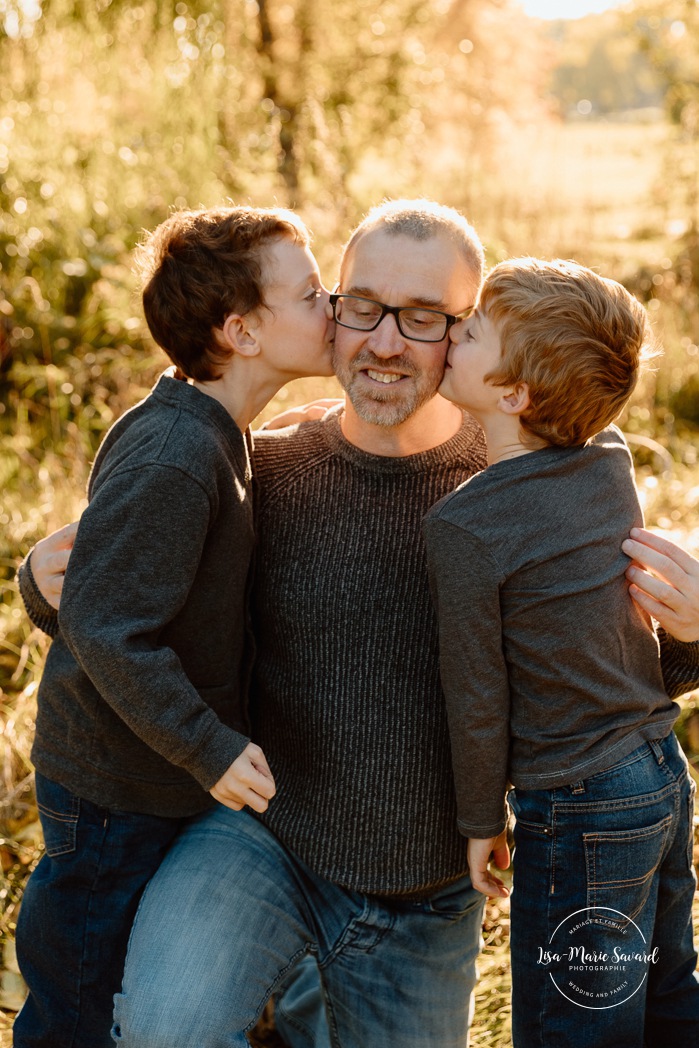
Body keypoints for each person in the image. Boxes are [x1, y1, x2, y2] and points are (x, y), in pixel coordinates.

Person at [19, 201, 699, 1047]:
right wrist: (46, 591)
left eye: (422, 319)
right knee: (163, 1029)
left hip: (425, 893)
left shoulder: (527, 490)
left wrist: (690, 635)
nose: (384, 342)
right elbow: (138, 614)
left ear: (469, 337)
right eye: (361, 306)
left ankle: (307, 1002)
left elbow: (592, 677)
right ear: (331, 310)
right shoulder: (254, 465)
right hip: (258, 847)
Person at [12, 204, 334, 1048]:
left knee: (126, 983)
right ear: (242, 332)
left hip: (152, 778)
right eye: (309, 294)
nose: (331, 305)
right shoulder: (175, 457)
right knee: (79, 986)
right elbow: (110, 627)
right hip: (112, 789)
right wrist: (210, 747)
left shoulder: (216, 433)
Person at [422, 257, 699, 1047]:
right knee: (667, 984)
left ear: (513, 395)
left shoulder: (464, 526)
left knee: (574, 1020)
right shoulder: (606, 457)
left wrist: (480, 820)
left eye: (470, 331)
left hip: (578, 804)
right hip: (658, 773)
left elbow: (475, 692)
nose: (452, 333)